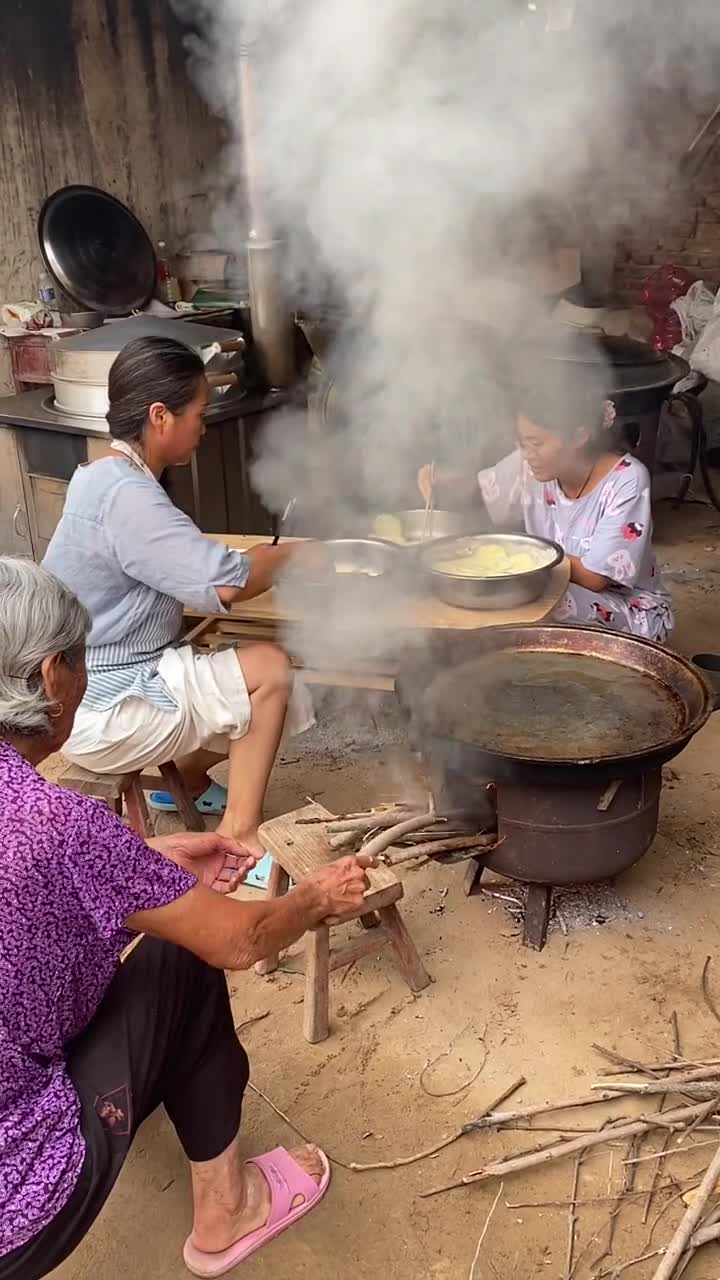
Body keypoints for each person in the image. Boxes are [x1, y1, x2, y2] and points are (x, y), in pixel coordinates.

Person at [0, 557, 374, 1280]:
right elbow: (240, 940)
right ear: (53, 678)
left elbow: (40, 891)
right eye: (83, 663)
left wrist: (147, 859)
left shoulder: (50, 827)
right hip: (14, 1201)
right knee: (184, 961)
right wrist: (316, 897)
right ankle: (225, 1215)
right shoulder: (58, 825)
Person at [43, 335, 316, 856]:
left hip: (93, 685)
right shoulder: (128, 497)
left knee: (232, 673)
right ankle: (239, 833)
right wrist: (297, 555)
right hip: (102, 706)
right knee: (271, 670)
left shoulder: (101, 474)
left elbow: (177, 560)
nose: (204, 427)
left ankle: (188, 782)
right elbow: (228, 581)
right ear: (160, 416)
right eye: (199, 413)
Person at [417, 356, 673, 641]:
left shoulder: (627, 479)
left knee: (534, 604)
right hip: (554, 586)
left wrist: (519, 557)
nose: (527, 453)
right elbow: (480, 490)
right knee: (497, 597)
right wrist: (443, 480)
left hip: (627, 608)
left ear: (579, 436)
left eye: (536, 442)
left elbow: (594, 578)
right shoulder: (531, 464)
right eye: (522, 442)